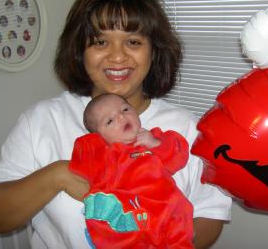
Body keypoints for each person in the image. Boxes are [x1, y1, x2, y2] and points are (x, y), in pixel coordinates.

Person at [0, 0, 232, 249]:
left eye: (133, 42)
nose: (117, 56)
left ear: (153, 51)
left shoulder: (186, 129)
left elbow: (210, 216)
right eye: (100, 42)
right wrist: (58, 175)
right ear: (79, 50)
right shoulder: (41, 120)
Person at [71, 93, 193, 248]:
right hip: (133, 218)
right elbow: (82, 164)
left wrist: (155, 143)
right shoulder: (107, 155)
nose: (121, 117)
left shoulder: (152, 138)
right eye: (109, 121)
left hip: (169, 209)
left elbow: (179, 156)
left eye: (125, 109)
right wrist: (92, 143)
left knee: (180, 234)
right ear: (99, 136)